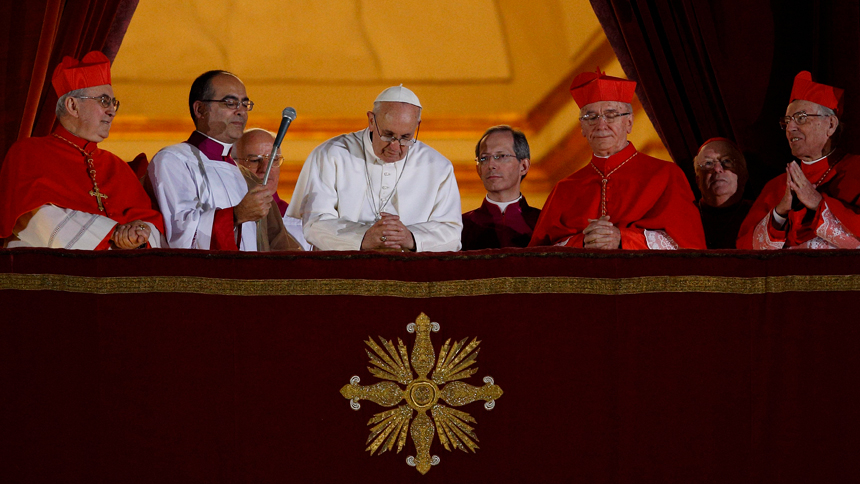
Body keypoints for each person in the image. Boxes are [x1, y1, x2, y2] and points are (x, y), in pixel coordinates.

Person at [0, 51, 165, 249]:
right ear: (72, 105)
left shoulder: (117, 166)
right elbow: (36, 220)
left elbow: (151, 223)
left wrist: (139, 233)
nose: (112, 111)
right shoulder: (28, 152)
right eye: (104, 101)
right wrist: (113, 233)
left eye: (114, 103)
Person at [529, 68, 705, 249]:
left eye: (611, 115)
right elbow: (538, 256)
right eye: (591, 117)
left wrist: (622, 238)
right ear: (582, 127)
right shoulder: (564, 189)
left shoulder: (666, 175)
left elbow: (687, 246)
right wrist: (583, 241)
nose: (601, 125)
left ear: (629, 122)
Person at [287, 85, 461, 251]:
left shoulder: (438, 166)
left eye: (405, 137)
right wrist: (363, 237)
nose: (395, 146)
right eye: (388, 135)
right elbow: (314, 223)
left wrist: (411, 238)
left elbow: (452, 234)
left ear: (417, 126)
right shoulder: (331, 155)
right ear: (371, 120)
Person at [147, 70, 274, 251]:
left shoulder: (241, 173)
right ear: (200, 109)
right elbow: (180, 233)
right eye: (230, 103)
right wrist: (236, 215)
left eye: (245, 104)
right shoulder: (173, 160)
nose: (241, 112)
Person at [737, 71, 860, 249]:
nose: (790, 128)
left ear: (831, 125)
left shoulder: (856, 170)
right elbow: (746, 252)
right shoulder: (775, 187)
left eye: (801, 118)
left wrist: (818, 203)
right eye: (787, 121)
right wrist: (780, 212)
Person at [461, 125, 540, 250]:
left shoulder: (542, 224)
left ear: (523, 166)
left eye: (501, 156)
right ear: (478, 170)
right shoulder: (460, 227)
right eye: (484, 158)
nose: (491, 165)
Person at [231, 128, 305, 250]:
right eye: (254, 160)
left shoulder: (299, 222)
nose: (265, 168)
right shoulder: (226, 217)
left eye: (273, 160)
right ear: (234, 164)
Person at [694, 137, 752, 249]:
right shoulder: (685, 217)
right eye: (708, 163)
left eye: (727, 161)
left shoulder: (760, 213)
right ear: (698, 180)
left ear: (743, 175)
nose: (717, 168)